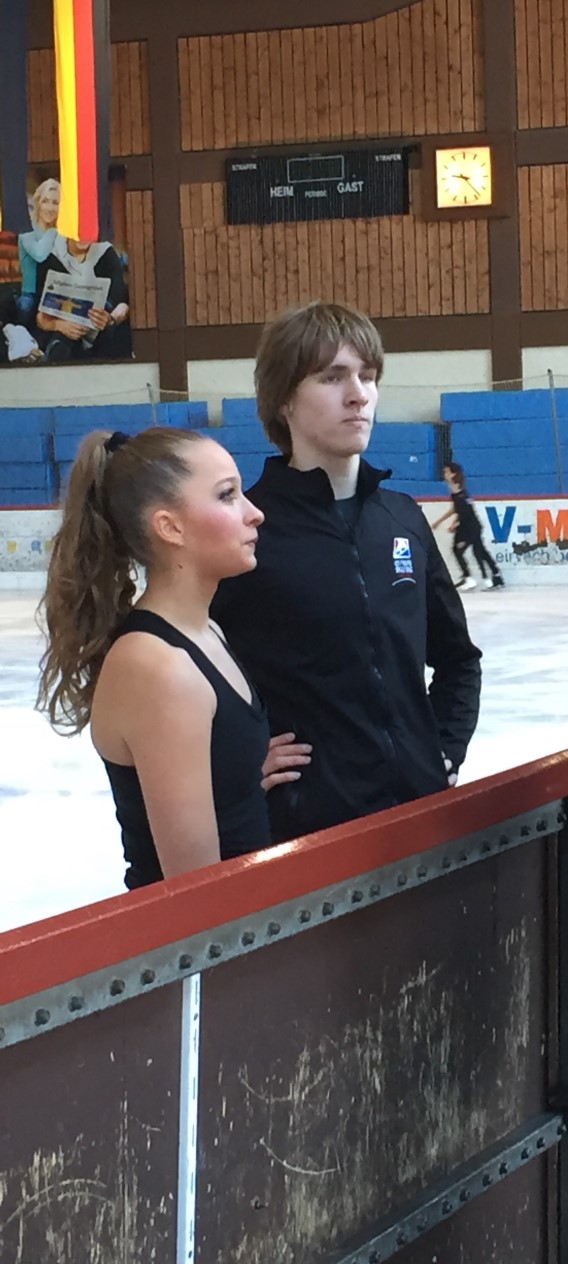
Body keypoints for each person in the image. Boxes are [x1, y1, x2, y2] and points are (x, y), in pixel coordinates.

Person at [211, 302, 482, 842]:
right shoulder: (247, 528)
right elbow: (189, 673)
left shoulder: (402, 517)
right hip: (308, 830)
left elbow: (458, 660)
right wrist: (237, 762)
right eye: (332, 377)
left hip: (418, 814)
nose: (358, 394)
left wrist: (442, 752)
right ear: (284, 397)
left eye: (367, 376)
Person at [37, 427, 310, 888]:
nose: (254, 513)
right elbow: (195, 893)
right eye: (227, 495)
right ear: (170, 526)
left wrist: (240, 778)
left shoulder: (208, 633)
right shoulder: (158, 666)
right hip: (204, 951)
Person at [33, 234, 132, 360]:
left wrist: (110, 320)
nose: (83, 236)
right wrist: (59, 325)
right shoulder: (50, 258)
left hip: (100, 336)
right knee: (60, 347)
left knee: (120, 337)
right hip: (63, 336)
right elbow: (39, 317)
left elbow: (122, 303)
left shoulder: (106, 254)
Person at [432, 461, 505, 591]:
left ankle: (469, 578)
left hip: (469, 527)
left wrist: (456, 523)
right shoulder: (455, 490)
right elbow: (457, 508)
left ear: (453, 474)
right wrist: (441, 521)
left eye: (447, 472)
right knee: (480, 551)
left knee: (458, 550)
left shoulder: (459, 491)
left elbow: (465, 511)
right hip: (469, 525)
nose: (445, 474)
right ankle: (496, 576)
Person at [16, 177, 60, 325]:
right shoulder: (26, 227)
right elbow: (39, 254)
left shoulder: (63, 232)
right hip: (32, 296)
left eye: (55, 203)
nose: (50, 208)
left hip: (56, 293)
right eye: (45, 201)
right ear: (38, 203)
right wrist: (53, 232)